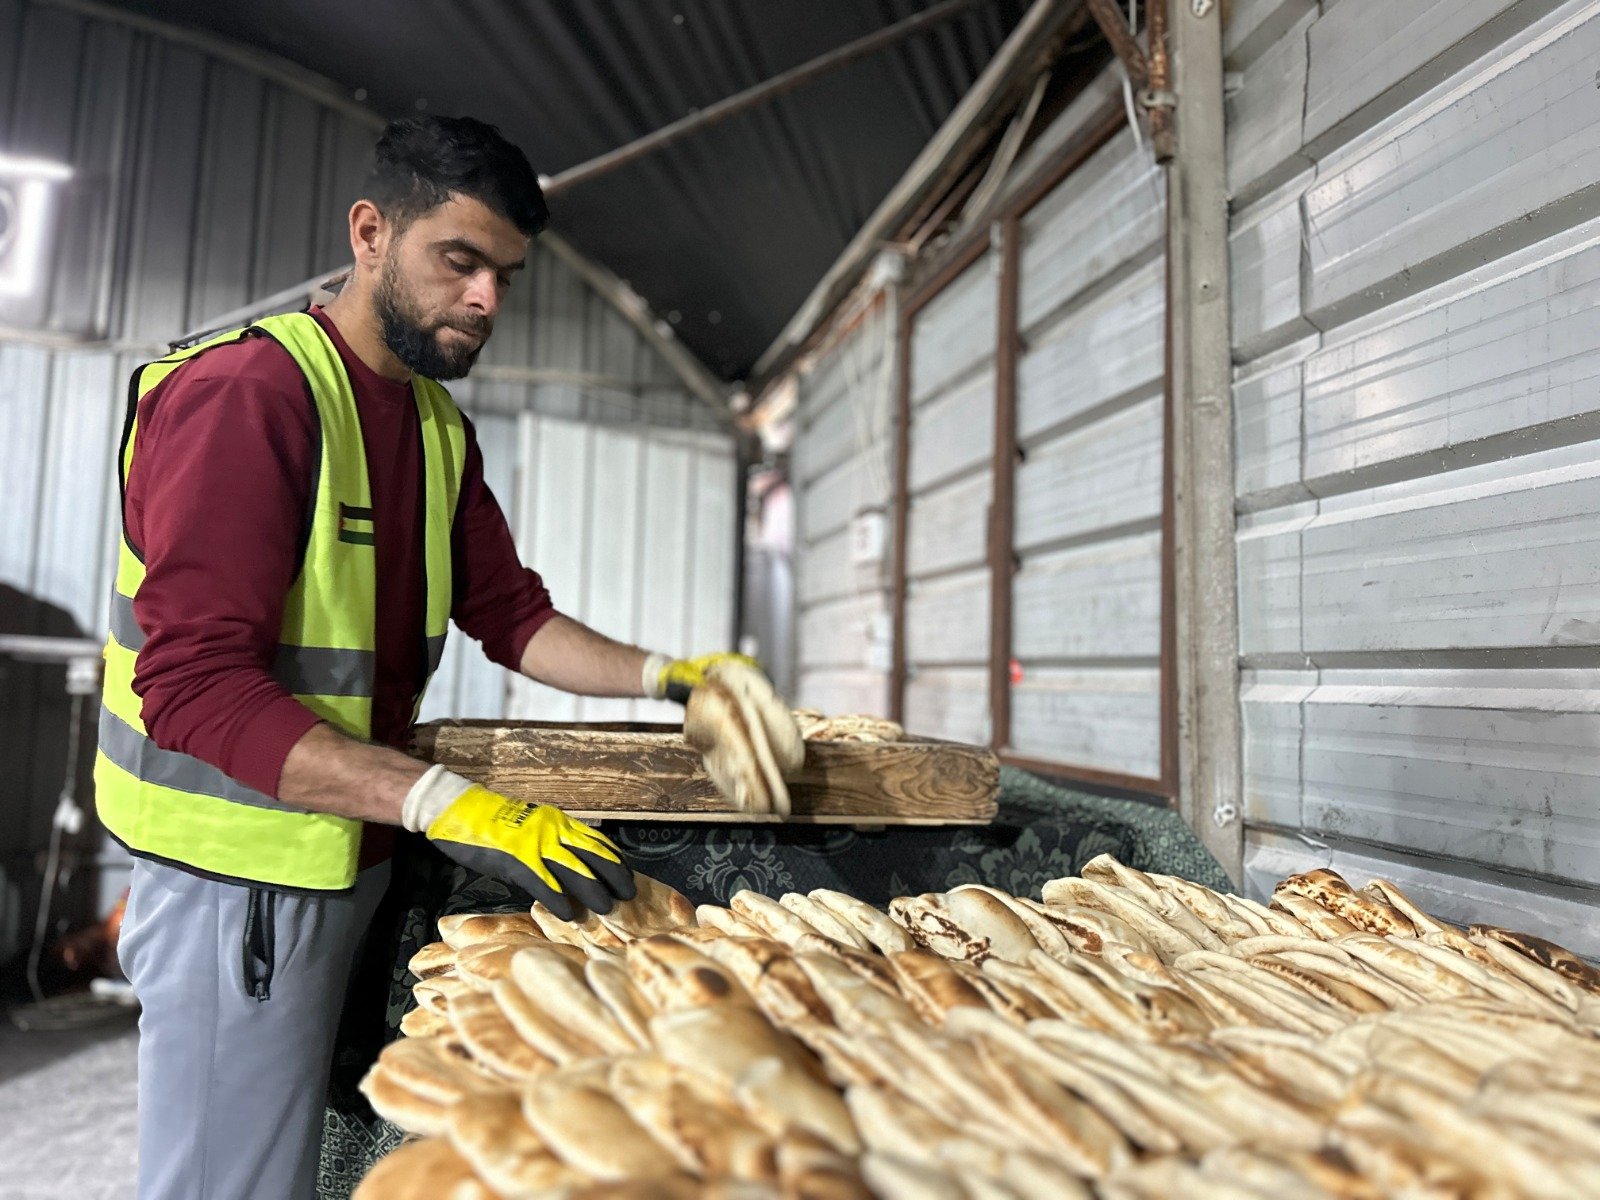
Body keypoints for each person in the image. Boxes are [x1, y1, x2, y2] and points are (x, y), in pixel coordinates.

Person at [95, 115, 786, 1200]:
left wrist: (675, 678)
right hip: (243, 876)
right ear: (371, 233)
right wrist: (444, 802)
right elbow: (191, 689)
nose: (485, 300)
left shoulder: (433, 425)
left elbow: (511, 617)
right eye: (459, 261)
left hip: (350, 853)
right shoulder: (250, 396)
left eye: (505, 276)